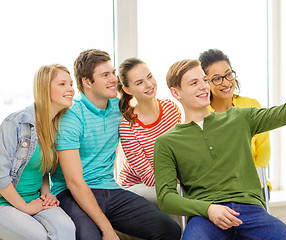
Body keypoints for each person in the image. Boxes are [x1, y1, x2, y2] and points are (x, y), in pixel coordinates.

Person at [154, 48, 286, 239]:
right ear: (176, 92)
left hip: (251, 213)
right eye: (194, 83)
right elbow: (166, 198)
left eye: (204, 80)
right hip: (205, 217)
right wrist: (208, 209)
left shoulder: (239, 118)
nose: (203, 87)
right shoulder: (166, 142)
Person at [50, 49, 181, 240]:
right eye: (105, 75)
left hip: (110, 189)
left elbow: (145, 115)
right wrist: (107, 228)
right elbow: (74, 182)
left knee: (169, 230)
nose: (114, 79)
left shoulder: (118, 109)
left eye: (113, 73)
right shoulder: (71, 117)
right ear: (87, 82)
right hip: (72, 193)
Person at [0, 64, 76, 240]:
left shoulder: (55, 126)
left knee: (67, 229)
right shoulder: (16, 123)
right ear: (44, 88)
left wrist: (46, 193)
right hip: (4, 203)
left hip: (35, 199)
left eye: (71, 84)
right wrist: (25, 208)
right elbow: (1, 175)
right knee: (39, 236)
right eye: (62, 84)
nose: (70, 89)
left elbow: (41, 169)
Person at [199, 48, 272, 194]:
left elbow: (264, 149)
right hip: (218, 189)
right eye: (217, 78)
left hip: (255, 183)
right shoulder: (202, 115)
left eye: (228, 74)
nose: (226, 83)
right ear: (206, 82)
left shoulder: (252, 105)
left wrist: (253, 176)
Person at [117, 57, 181, 204]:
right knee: (181, 194)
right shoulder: (128, 126)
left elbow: (181, 153)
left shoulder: (171, 108)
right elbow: (149, 178)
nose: (149, 84)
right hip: (137, 186)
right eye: (139, 83)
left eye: (149, 76)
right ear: (127, 89)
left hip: (170, 180)